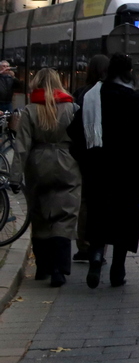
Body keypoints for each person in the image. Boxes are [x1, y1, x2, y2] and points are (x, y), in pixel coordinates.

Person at [82, 54, 139, 289]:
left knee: (98, 213)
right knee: (124, 220)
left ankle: (95, 257)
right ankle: (118, 269)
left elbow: (76, 133)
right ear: (129, 73)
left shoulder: (91, 97)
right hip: (129, 173)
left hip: (98, 170)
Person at [11, 68, 81, 287]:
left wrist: (15, 177)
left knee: (40, 213)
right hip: (67, 161)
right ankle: (60, 268)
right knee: (65, 215)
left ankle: (43, 267)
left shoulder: (30, 111)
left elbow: (21, 146)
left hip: (38, 163)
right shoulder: (72, 108)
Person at [71, 54, 109, 265]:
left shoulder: (80, 93)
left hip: (85, 156)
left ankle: (83, 245)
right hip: (105, 157)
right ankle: (99, 247)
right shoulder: (111, 93)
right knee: (102, 201)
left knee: (84, 201)